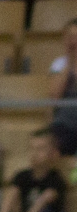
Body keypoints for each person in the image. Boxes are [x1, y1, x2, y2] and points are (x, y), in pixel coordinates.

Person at [46, 18, 77, 156]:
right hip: (64, 123)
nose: (73, 41)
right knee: (56, 144)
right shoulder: (59, 64)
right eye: (69, 36)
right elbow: (55, 97)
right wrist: (70, 62)